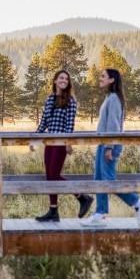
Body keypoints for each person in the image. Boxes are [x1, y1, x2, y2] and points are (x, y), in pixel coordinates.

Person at [81, 68, 140, 227]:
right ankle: (100, 213)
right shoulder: (110, 97)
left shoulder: (114, 99)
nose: (100, 78)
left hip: (109, 144)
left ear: (112, 80)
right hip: (104, 143)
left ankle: (138, 204)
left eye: (103, 76)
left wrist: (109, 148)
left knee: (109, 181)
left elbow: (113, 125)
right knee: (99, 180)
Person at [35, 70, 93, 222]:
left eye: (66, 79)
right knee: (50, 177)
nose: (64, 80)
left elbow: (70, 125)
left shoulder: (70, 100)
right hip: (49, 142)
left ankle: (82, 197)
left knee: (54, 176)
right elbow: (44, 122)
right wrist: (34, 139)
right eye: (61, 78)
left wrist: (68, 142)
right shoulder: (49, 99)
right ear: (55, 80)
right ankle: (53, 210)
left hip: (61, 143)